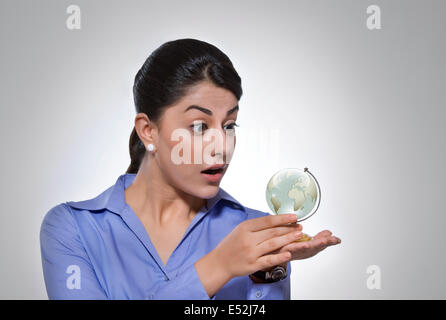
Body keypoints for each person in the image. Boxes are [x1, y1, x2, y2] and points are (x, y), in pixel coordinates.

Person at [40, 38, 341, 300]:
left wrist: (267, 269)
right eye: (199, 126)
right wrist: (219, 266)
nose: (221, 146)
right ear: (148, 131)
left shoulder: (261, 236)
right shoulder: (73, 228)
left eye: (229, 125)